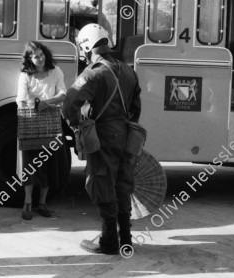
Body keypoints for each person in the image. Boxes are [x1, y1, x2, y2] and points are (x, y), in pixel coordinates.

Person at [62, 24, 141, 255]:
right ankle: (125, 239)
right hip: (126, 134)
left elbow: (69, 104)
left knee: (101, 181)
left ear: (86, 46)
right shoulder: (128, 70)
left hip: (103, 135)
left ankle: (108, 241)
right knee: (123, 184)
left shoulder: (93, 73)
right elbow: (136, 107)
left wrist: (77, 125)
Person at [16, 41, 68, 220]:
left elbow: (63, 94)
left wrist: (48, 102)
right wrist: (27, 113)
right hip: (31, 125)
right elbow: (21, 99)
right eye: (36, 56)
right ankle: (28, 201)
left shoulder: (56, 72)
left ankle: (42, 202)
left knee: (48, 166)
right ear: (29, 58)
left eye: (42, 54)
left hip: (50, 123)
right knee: (30, 167)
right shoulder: (25, 75)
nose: (40, 58)